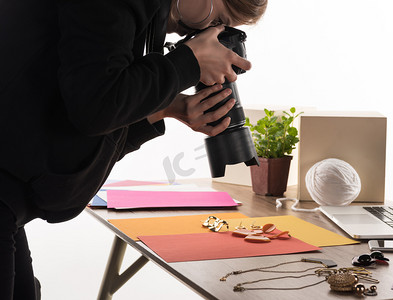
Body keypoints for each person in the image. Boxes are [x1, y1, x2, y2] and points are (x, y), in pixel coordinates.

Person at [0, 0, 268, 298]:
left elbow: (88, 113)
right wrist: (188, 63)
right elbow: (96, 109)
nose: (212, 31)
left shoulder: (145, 20)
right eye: (219, 18)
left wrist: (168, 107)